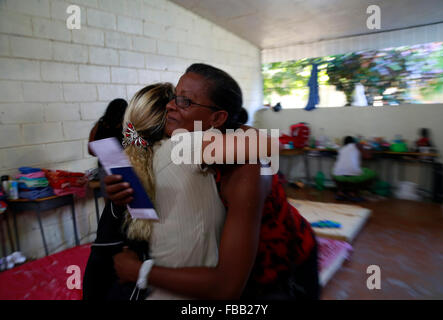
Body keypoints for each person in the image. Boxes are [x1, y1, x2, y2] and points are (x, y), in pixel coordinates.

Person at [107, 63, 319, 300]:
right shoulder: (185, 147)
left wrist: (139, 271)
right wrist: (122, 193)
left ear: (217, 118)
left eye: (184, 101)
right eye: (174, 97)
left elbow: (227, 287)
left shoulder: (245, 169)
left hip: (283, 269)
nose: (170, 105)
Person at [84, 82, 274, 300]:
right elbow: (266, 144)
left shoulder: (126, 159)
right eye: (178, 102)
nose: (179, 107)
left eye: (185, 102)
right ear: (169, 117)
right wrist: (231, 125)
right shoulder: (184, 146)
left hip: (108, 282)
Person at [332, 136, 376, 201]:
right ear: (353, 141)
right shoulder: (356, 145)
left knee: (339, 171)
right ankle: (353, 193)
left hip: (337, 176)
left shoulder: (341, 149)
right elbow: (367, 156)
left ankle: (340, 193)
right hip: (353, 174)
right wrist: (369, 147)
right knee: (370, 173)